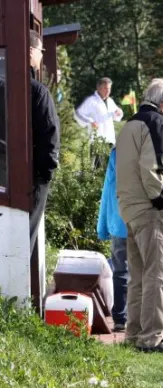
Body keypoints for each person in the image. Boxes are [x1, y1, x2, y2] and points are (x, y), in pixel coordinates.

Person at [116, 78, 163, 355]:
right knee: (159, 273)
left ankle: (134, 333)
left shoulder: (130, 123)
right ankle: (152, 338)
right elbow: (150, 166)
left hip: (130, 208)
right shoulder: (156, 123)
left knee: (140, 275)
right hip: (150, 209)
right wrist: (162, 200)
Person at [29, 30, 60, 253]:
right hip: (32, 177)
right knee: (26, 234)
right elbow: (50, 135)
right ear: (31, 51)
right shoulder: (37, 91)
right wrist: (46, 173)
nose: (42, 56)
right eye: (41, 51)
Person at [97, 147, 129, 332]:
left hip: (120, 222)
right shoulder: (152, 148)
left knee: (120, 271)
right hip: (144, 223)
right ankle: (139, 315)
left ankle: (120, 318)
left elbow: (108, 189)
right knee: (144, 271)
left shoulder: (118, 153)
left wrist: (103, 227)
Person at [74, 77, 123, 144]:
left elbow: (117, 115)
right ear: (99, 88)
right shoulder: (91, 101)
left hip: (110, 140)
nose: (108, 91)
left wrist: (119, 112)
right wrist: (90, 122)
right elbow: (78, 114)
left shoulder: (110, 101)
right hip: (96, 141)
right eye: (106, 88)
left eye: (109, 88)